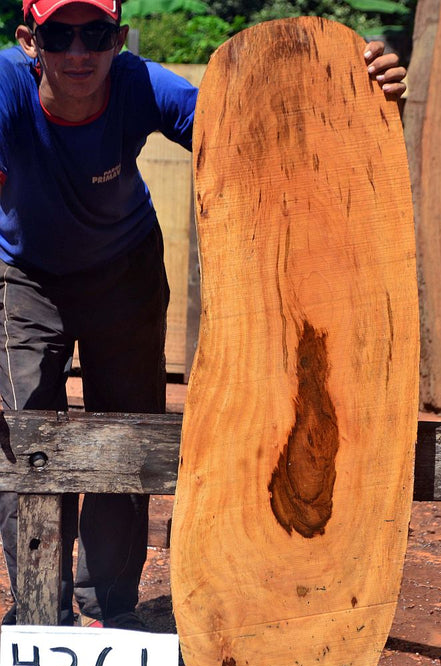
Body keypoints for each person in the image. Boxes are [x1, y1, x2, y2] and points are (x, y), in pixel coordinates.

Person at [0, 0, 407, 629]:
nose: (79, 53)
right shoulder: (6, 88)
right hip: (26, 274)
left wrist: (358, 87)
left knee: (125, 431)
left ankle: (109, 605)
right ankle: (40, 614)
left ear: (120, 37)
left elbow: (256, 125)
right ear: (31, 41)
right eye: (60, 35)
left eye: (96, 34)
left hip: (122, 269)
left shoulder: (139, 84)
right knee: (21, 431)